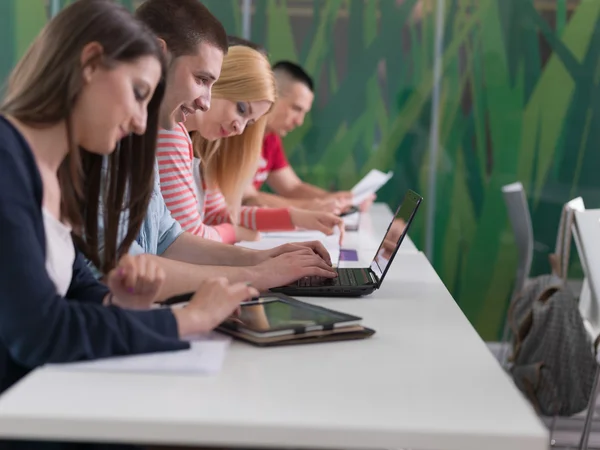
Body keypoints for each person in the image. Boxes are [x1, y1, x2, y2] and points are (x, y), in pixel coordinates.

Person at [0, 0, 257, 428]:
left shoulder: (58, 171)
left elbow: (77, 280)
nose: (141, 123)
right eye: (139, 93)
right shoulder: (7, 163)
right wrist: (183, 321)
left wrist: (117, 300)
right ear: (90, 64)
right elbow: (39, 331)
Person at [91, 0, 338, 299]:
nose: (205, 101)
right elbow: (125, 272)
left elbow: (169, 238)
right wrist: (255, 274)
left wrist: (265, 258)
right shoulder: (117, 143)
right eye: (201, 79)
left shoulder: (144, 142)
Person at [156, 45, 344, 244]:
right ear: (219, 81)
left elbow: (218, 214)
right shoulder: (171, 133)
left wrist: (296, 217)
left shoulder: (203, 146)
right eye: (241, 108)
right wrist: (236, 233)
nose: (239, 129)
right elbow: (190, 238)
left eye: (250, 122)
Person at [243, 60, 375, 214]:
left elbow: (292, 187)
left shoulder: (271, 139)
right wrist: (314, 207)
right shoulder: (238, 132)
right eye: (296, 109)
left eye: (303, 112)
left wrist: (338, 200)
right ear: (271, 95)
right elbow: (247, 198)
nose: (299, 121)